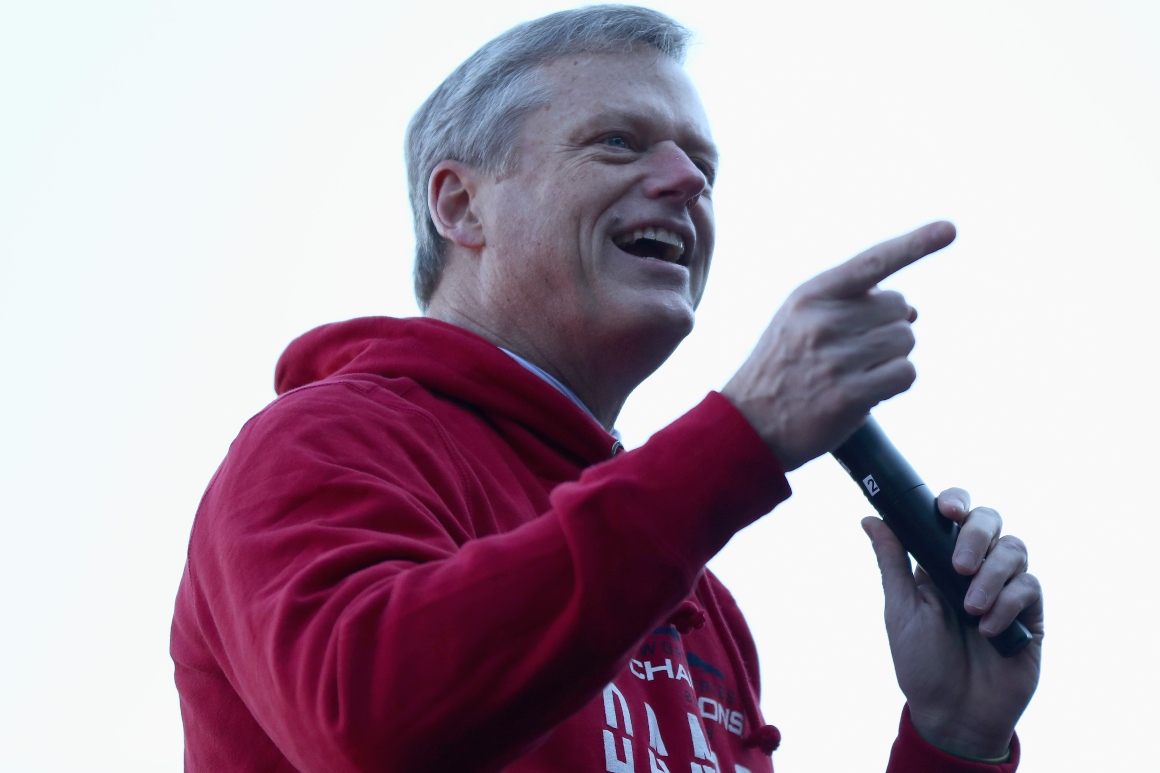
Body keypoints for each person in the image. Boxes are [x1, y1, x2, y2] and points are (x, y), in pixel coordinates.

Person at [171, 6, 1043, 772]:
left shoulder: (695, 595)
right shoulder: (320, 441)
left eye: (704, 164)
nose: (687, 182)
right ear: (459, 207)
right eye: (618, 142)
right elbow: (371, 724)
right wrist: (741, 437)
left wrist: (953, 739)